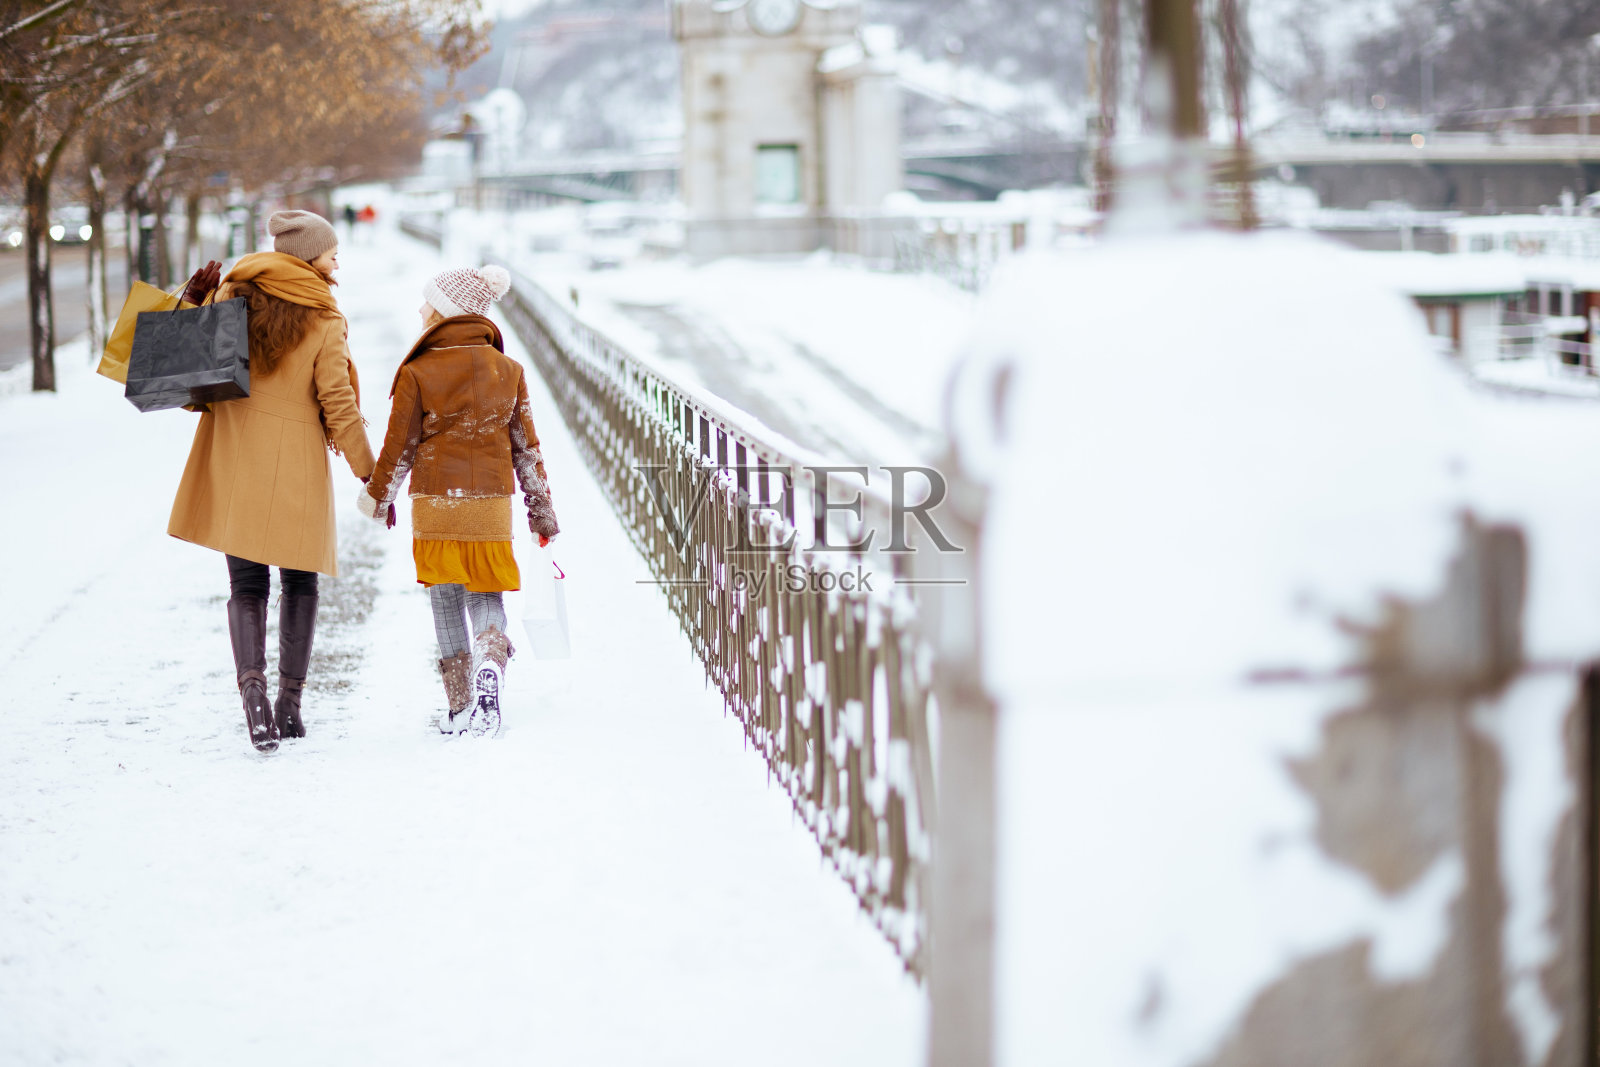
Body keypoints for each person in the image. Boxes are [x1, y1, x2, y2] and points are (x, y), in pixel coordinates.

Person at [169, 210, 375, 753]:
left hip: (234, 451)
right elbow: (338, 402)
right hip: (297, 463)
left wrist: (191, 301)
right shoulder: (326, 319)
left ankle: (252, 695)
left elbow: (185, 362)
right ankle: (289, 703)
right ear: (308, 257)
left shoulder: (231, 295)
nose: (338, 261)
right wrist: (370, 472)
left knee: (246, 584)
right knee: (300, 582)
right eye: (331, 252)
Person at [357, 264, 559, 738]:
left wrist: (378, 496)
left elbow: (399, 448)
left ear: (446, 310)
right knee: (485, 593)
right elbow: (526, 448)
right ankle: (491, 661)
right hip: (491, 500)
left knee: (446, 600)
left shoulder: (418, 369)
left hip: (434, 502)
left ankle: (461, 706)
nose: (421, 310)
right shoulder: (508, 370)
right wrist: (541, 508)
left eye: (428, 302)